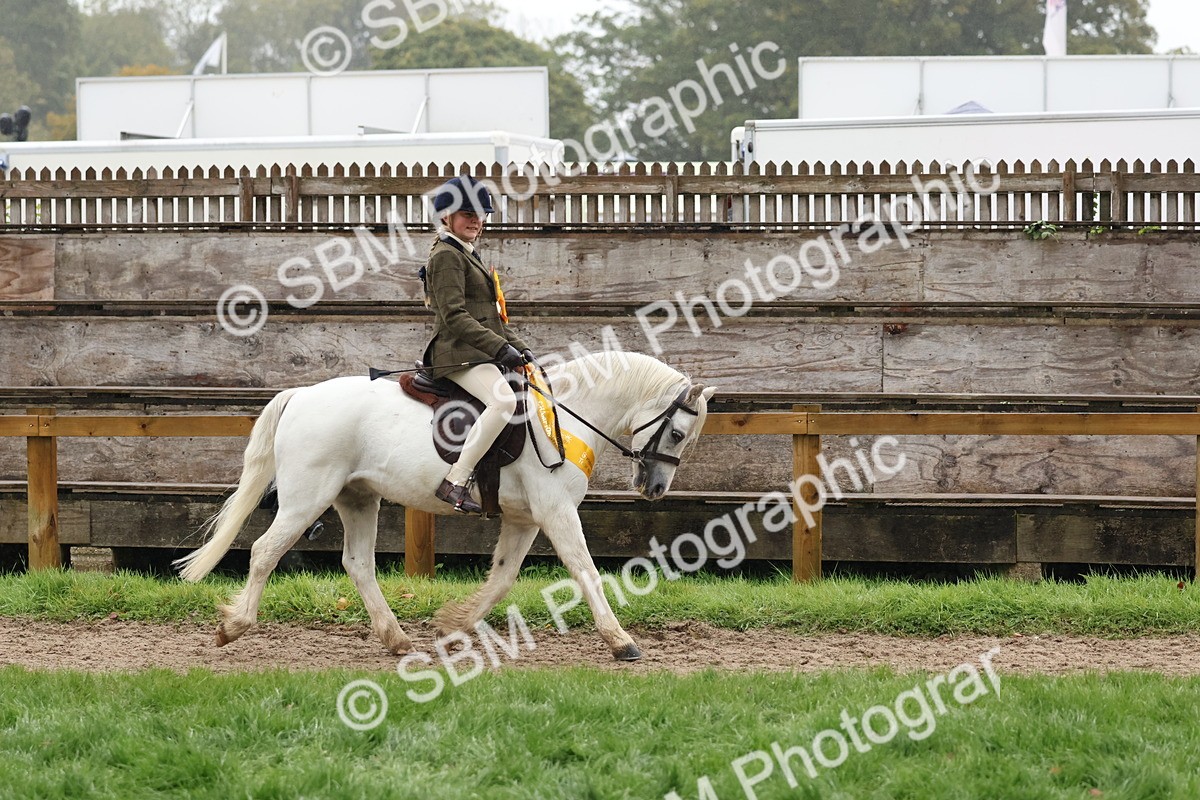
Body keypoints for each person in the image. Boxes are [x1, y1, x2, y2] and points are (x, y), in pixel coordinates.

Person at [421, 175, 533, 514]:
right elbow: (455, 316)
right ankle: (456, 480)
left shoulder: (467, 253)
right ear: (447, 217)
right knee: (503, 402)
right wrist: (500, 350)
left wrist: (520, 348)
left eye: (480, 215)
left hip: (476, 352)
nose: (475, 221)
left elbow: (492, 318)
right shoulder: (445, 255)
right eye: (467, 214)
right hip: (456, 353)